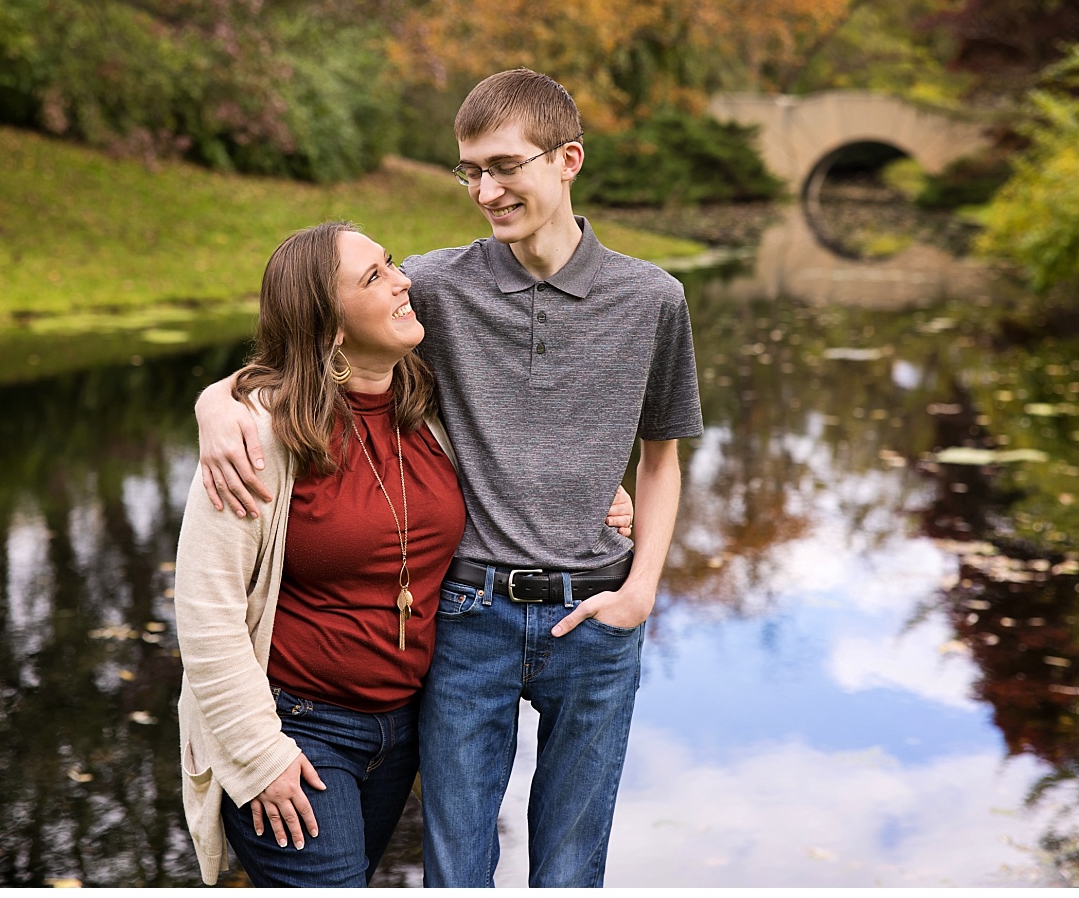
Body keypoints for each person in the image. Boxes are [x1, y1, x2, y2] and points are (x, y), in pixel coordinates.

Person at [194, 69, 702, 887]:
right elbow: (309, 340)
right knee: (458, 867)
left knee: (573, 868)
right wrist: (215, 402)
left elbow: (662, 455)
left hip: (599, 616)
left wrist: (642, 588)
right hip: (467, 617)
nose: (486, 190)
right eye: (470, 171)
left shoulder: (653, 300)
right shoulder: (431, 286)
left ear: (568, 159)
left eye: (505, 166)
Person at [175, 221, 634, 887]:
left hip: (398, 735)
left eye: (389, 262)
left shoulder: (425, 408)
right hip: (296, 729)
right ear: (330, 327)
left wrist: (597, 491)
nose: (403, 280)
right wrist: (259, 754)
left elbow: (518, 457)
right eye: (374, 277)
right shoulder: (255, 434)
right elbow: (205, 609)